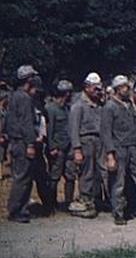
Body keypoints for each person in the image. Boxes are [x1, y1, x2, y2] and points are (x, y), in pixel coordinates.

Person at [101, 75, 136, 225]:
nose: (128, 89)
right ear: (118, 89)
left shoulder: (131, 105)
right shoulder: (109, 107)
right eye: (125, 87)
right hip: (119, 148)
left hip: (135, 146)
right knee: (118, 182)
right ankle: (118, 212)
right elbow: (106, 132)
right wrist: (110, 154)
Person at [5, 66, 43, 223]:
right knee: (22, 178)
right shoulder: (25, 98)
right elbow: (26, 123)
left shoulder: (14, 96)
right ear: (29, 79)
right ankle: (15, 210)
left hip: (15, 141)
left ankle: (21, 208)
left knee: (21, 176)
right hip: (22, 142)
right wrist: (30, 144)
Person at [69, 73, 105, 218]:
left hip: (99, 141)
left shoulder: (99, 105)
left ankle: (96, 200)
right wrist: (77, 149)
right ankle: (85, 200)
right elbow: (73, 129)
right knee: (87, 173)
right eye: (95, 89)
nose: (98, 92)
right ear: (87, 88)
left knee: (99, 173)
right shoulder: (78, 106)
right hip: (85, 141)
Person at [46, 80, 76, 211]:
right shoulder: (51, 109)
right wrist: (52, 147)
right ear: (66, 93)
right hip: (57, 149)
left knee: (70, 176)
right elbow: (49, 129)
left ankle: (68, 203)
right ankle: (51, 204)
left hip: (68, 147)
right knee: (54, 177)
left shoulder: (68, 109)